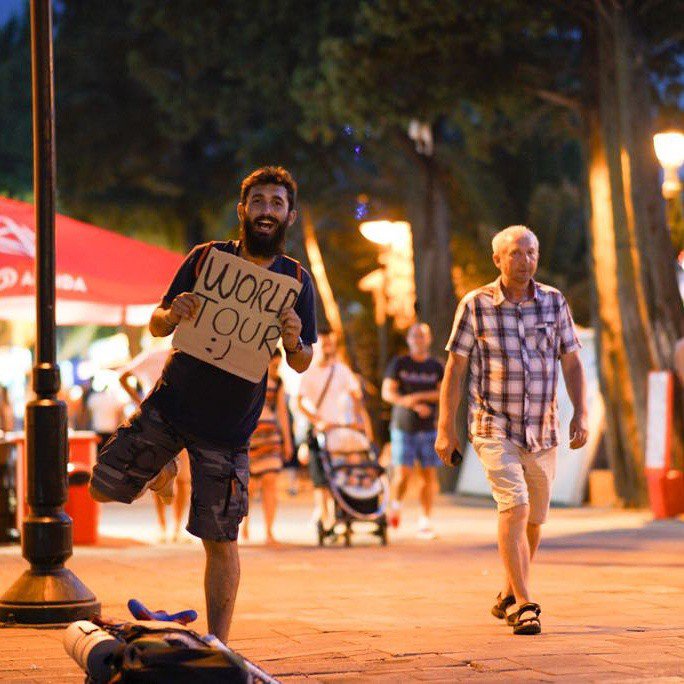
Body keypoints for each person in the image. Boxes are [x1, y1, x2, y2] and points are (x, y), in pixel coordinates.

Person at [89, 166, 317, 642]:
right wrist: (173, 313)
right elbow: (156, 323)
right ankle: (163, 469)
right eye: (258, 202)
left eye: (277, 204)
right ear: (242, 210)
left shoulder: (296, 279)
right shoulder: (206, 258)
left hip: (229, 429)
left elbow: (301, 362)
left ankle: (219, 643)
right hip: (171, 405)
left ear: (289, 215)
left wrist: (295, 341)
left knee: (220, 540)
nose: (266, 212)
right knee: (102, 484)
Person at [435, 225, 588, 636]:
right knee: (515, 506)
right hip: (492, 424)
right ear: (498, 259)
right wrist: (445, 428)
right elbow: (456, 367)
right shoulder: (475, 304)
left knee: (535, 519)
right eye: (517, 254)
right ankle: (524, 604)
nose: (525, 261)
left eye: (532, 252)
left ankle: (506, 592)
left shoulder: (554, 302)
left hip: (542, 428)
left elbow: (571, 362)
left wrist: (582, 414)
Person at [296, 330, 373, 537]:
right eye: (324, 344)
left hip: (343, 432)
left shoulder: (341, 370)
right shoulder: (310, 373)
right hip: (321, 433)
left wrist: (358, 421)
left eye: (330, 343)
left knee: (343, 471)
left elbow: (356, 396)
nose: (328, 347)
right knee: (321, 479)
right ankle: (325, 516)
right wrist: (317, 421)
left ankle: (345, 509)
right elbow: (299, 402)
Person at [119, 347, 192, 543]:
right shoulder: (154, 355)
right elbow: (123, 376)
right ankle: (163, 526)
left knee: (183, 478)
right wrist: (141, 401)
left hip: (184, 422)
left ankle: (177, 527)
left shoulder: (190, 356)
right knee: (159, 477)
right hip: (157, 422)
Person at [382, 323, 444, 539]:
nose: (418, 340)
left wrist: (418, 398)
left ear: (429, 339)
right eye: (415, 336)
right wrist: (409, 403)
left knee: (428, 476)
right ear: (408, 339)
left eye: (422, 336)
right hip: (403, 427)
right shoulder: (399, 364)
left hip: (429, 429)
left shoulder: (436, 366)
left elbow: (443, 393)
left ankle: (425, 521)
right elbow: (387, 393)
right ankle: (395, 506)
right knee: (403, 474)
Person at [240, 348, 293, 546]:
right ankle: (244, 523)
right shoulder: (251, 378)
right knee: (251, 486)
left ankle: (269, 531)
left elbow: (282, 413)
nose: (276, 368)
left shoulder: (278, 382)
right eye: (274, 364)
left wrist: (287, 440)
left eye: (278, 365)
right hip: (251, 437)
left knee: (271, 481)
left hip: (271, 438)